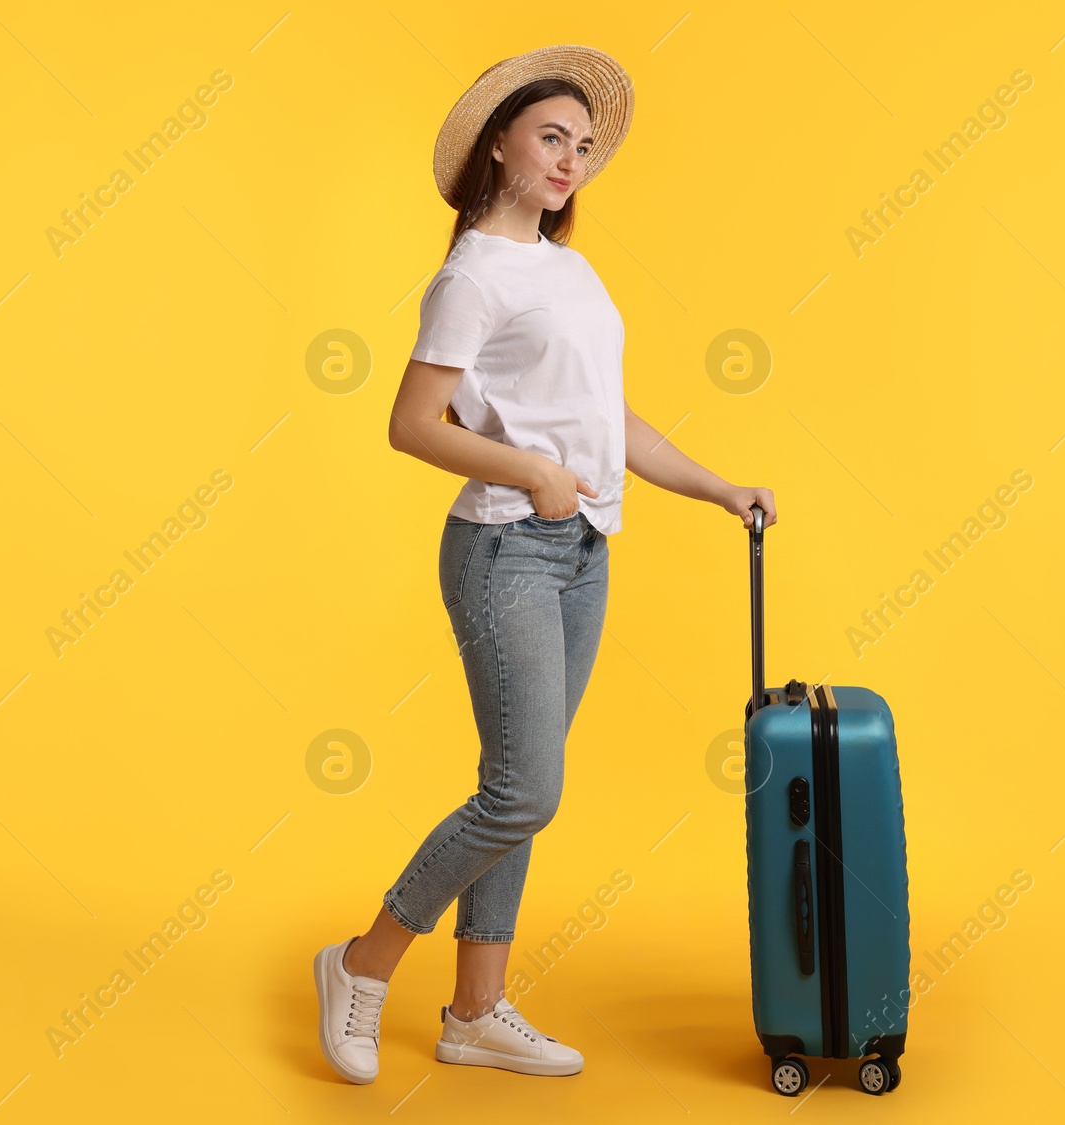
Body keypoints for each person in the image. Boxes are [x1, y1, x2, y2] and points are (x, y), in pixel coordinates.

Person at [313, 43, 777, 1085]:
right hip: (502, 553)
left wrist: (716, 485)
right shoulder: (471, 274)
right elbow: (411, 424)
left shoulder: (569, 270)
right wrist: (528, 470)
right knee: (524, 792)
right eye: (549, 138)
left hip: (580, 554)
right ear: (498, 146)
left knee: (514, 783)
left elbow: (608, 421)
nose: (571, 159)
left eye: (582, 144)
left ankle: (475, 1012)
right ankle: (359, 964)